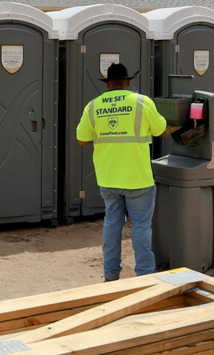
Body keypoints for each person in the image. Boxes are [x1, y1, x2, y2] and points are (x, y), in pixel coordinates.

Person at [76, 62, 167, 281]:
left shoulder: (93, 105)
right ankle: (144, 274)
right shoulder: (142, 102)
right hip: (138, 178)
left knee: (112, 223)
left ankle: (110, 274)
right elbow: (161, 130)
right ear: (128, 81)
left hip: (108, 177)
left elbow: (81, 139)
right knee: (141, 226)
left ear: (107, 83)